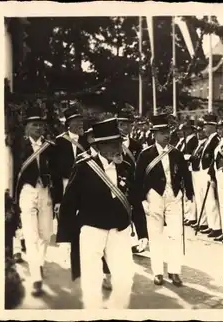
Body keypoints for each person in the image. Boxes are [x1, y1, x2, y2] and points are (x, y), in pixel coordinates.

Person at [57, 117, 148, 309]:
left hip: (120, 230)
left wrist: (143, 233)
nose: (119, 148)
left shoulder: (126, 166)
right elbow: (68, 204)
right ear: (99, 146)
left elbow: (135, 201)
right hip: (92, 228)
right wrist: (65, 238)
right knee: (92, 281)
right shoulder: (83, 166)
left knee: (125, 278)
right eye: (113, 144)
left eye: (119, 143)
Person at [134, 113, 194, 287]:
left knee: (176, 235)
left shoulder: (176, 153)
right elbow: (138, 179)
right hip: (154, 197)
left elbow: (185, 174)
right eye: (161, 132)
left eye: (167, 131)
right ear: (154, 134)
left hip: (174, 197)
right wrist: (141, 201)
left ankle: (175, 271)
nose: (166, 135)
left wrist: (189, 195)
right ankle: (158, 272)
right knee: (155, 235)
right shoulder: (146, 154)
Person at [13, 106, 63, 296]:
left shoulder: (50, 147)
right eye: (34, 125)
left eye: (41, 125)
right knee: (31, 235)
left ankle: (39, 263)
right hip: (27, 192)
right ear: (27, 127)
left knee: (45, 234)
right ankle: (36, 277)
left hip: (46, 192)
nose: (38, 129)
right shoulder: (18, 146)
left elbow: (57, 174)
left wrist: (58, 198)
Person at [197, 113, 221, 237]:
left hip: (209, 172)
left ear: (212, 126)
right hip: (203, 171)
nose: (204, 129)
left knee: (212, 200)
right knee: (206, 200)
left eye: (206, 126)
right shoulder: (209, 139)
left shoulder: (216, 139)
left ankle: (216, 226)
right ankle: (211, 225)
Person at [54, 104, 87, 193]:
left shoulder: (86, 140)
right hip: (66, 182)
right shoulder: (59, 141)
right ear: (69, 123)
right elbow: (56, 167)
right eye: (77, 121)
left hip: (84, 182)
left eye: (81, 121)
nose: (80, 123)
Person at [189, 120, 209, 230]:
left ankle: (204, 222)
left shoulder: (205, 142)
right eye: (197, 132)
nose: (199, 134)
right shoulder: (199, 144)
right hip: (196, 171)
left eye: (201, 131)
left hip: (203, 172)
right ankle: (201, 221)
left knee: (204, 198)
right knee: (199, 198)